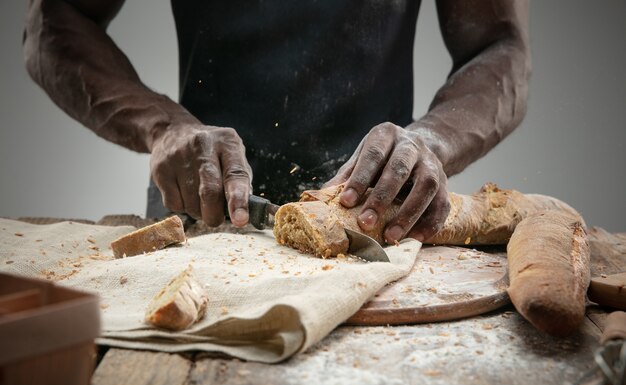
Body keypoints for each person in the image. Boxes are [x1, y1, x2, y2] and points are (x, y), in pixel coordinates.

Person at [23, 0, 530, 244]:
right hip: (199, 215)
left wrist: (431, 142)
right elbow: (54, 20)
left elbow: (500, 45)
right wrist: (163, 126)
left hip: (374, 220)